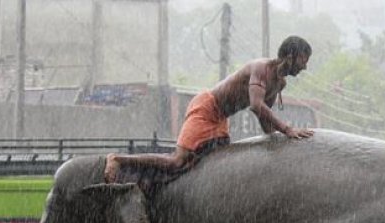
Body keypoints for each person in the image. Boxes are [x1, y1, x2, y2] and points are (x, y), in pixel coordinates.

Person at [104, 36, 315, 183]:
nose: (305, 67)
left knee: (216, 165)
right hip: (206, 108)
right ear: (289, 56)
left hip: (221, 118)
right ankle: (118, 159)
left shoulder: (280, 84)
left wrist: (278, 139)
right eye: (303, 60)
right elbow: (255, 104)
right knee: (176, 161)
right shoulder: (261, 68)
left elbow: (263, 119)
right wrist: (288, 129)